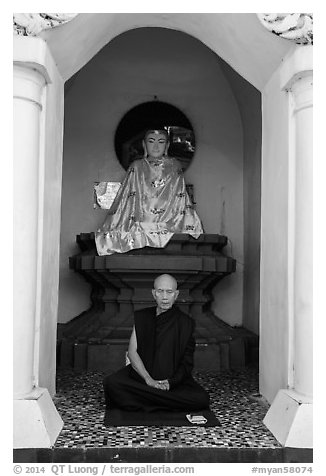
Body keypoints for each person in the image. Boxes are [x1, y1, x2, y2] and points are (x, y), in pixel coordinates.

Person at [103, 274, 210, 412]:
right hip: (142, 378)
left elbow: (187, 362)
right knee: (111, 383)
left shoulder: (186, 323)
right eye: (160, 291)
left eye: (169, 292)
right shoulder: (143, 317)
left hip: (172, 381)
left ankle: (146, 400)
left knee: (201, 398)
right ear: (154, 294)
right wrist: (149, 380)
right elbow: (132, 352)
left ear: (176, 295)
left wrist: (170, 383)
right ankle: (161, 400)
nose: (164, 297)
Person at [95, 129, 203, 255]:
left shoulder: (174, 166)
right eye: (151, 142)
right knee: (127, 230)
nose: (156, 146)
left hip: (169, 220)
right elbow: (127, 199)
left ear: (167, 146)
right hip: (140, 218)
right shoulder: (137, 166)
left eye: (161, 142)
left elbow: (179, 198)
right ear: (144, 145)